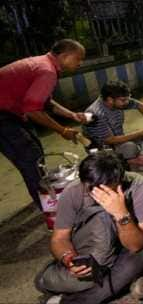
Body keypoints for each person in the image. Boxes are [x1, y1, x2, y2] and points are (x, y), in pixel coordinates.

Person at [35, 150, 143, 304]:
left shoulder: (141, 187)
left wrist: (121, 214)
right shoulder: (73, 191)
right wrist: (68, 258)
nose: (94, 193)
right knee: (98, 271)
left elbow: (135, 245)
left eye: (102, 189)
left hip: (131, 240)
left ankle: (68, 301)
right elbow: (59, 238)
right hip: (96, 245)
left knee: (135, 260)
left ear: (119, 181)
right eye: (89, 188)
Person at [0, 39, 87, 208]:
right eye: (78, 58)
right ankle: (48, 207)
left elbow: (46, 102)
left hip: (12, 113)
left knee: (35, 154)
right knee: (30, 157)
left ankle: (42, 195)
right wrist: (62, 130)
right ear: (64, 56)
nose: (80, 63)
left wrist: (72, 115)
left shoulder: (43, 64)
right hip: (4, 116)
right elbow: (33, 110)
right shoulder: (47, 71)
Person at [83, 80, 143, 161]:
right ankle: (133, 159)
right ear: (110, 99)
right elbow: (109, 140)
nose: (127, 102)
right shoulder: (95, 113)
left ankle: (140, 155)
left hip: (120, 141)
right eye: (123, 100)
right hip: (104, 150)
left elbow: (140, 106)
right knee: (130, 148)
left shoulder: (117, 103)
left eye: (128, 98)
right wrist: (140, 134)